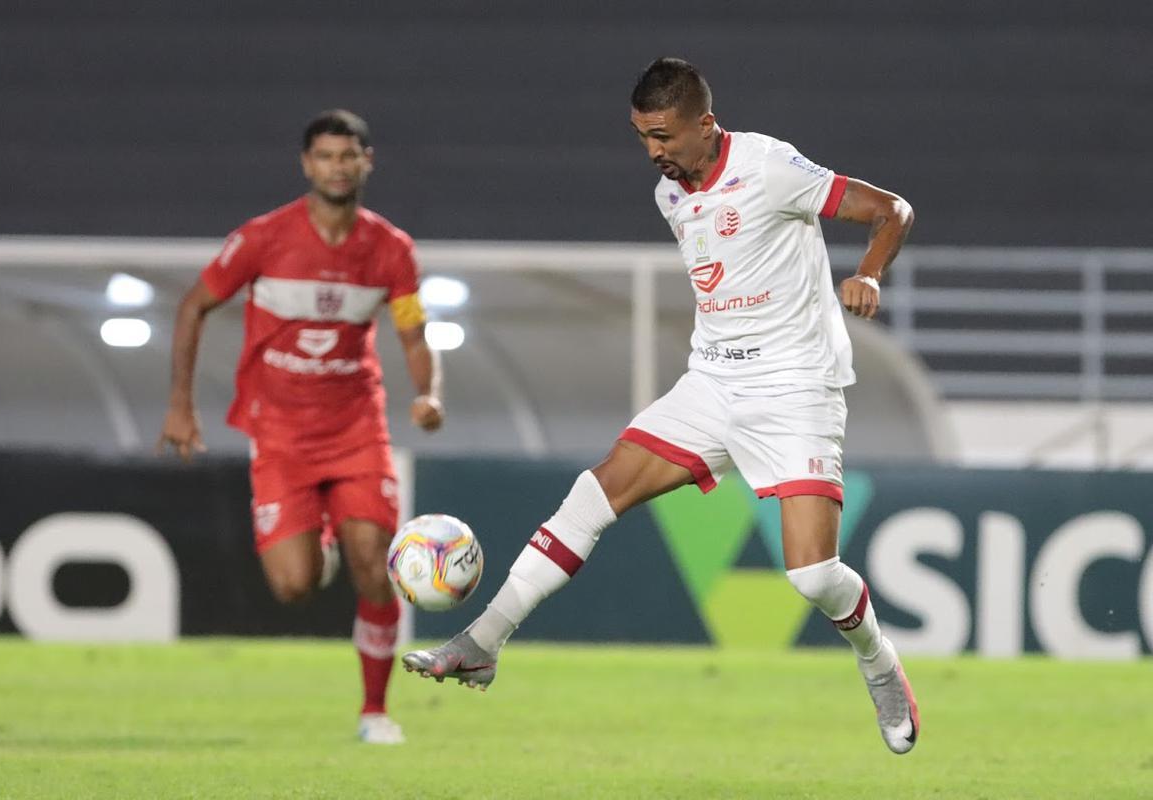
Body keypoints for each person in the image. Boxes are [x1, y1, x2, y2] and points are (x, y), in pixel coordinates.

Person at [403, 58, 920, 754]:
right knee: (593, 493)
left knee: (812, 575)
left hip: (795, 386)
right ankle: (482, 641)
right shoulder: (670, 195)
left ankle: (879, 664)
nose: (653, 152)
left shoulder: (769, 166)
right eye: (642, 137)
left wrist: (867, 273)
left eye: (665, 136)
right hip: (711, 383)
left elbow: (892, 210)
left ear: (706, 124)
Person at [159, 109, 444, 745]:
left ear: (367, 162)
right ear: (306, 164)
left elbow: (414, 333)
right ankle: (323, 545)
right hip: (280, 433)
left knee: (376, 565)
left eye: (349, 156)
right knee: (293, 586)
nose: (337, 167)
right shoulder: (263, 239)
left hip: (355, 429)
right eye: (325, 156)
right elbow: (194, 305)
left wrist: (426, 394)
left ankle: (375, 713)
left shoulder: (391, 249)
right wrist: (180, 403)